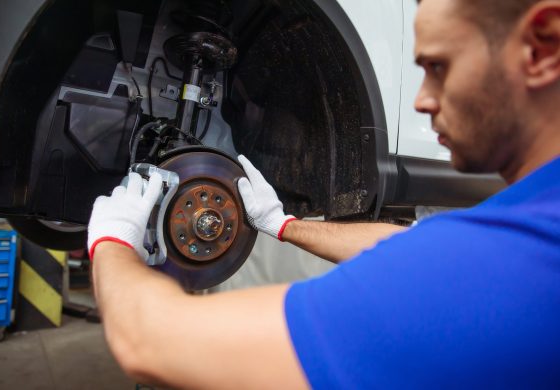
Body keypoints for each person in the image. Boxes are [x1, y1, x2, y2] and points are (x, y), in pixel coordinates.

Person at [87, 0, 560, 387]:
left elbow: (150, 343)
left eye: (439, 66)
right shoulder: (530, 226)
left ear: (541, 48)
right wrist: (286, 226)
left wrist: (112, 242)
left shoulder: (505, 268)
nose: (422, 98)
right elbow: (413, 245)